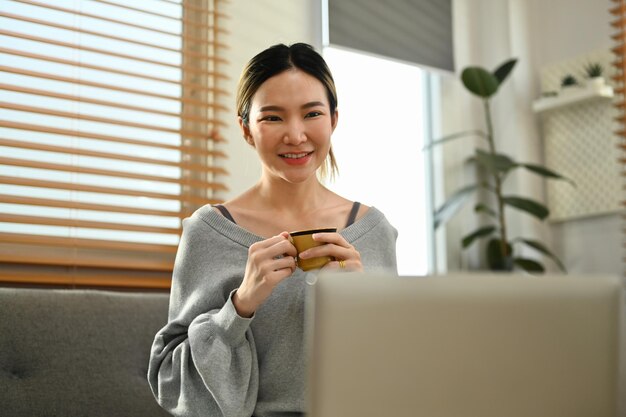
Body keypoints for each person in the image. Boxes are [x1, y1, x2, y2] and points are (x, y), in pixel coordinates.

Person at [147, 42, 398, 417]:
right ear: (246, 129)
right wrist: (241, 304)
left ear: (334, 119)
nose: (296, 135)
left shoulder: (373, 231)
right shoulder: (208, 231)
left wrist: (361, 304)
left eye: (312, 113)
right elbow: (170, 380)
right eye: (273, 117)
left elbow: (398, 370)